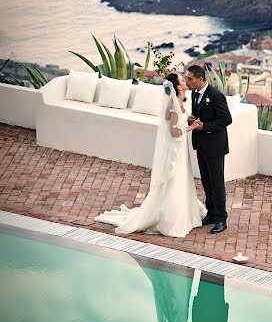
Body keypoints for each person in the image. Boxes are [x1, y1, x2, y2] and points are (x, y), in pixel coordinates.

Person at [94, 73, 206, 237]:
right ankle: (170, 218)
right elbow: (174, 132)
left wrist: (187, 119)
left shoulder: (179, 104)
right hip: (175, 150)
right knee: (174, 179)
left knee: (181, 179)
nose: (185, 82)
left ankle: (182, 212)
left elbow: (177, 122)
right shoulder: (174, 106)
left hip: (180, 149)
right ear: (177, 87)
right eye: (183, 80)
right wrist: (192, 127)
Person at [186, 64, 232, 234]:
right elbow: (200, 114)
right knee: (206, 181)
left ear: (200, 79)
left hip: (215, 146)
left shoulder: (216, 96)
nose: (187, 81)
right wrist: (193, 118)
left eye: (189, 78)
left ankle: (221, 219)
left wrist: (204, 126)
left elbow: (226, 119)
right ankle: (211, 214)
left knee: (217, 183)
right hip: (201, 145)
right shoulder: (194, 93)